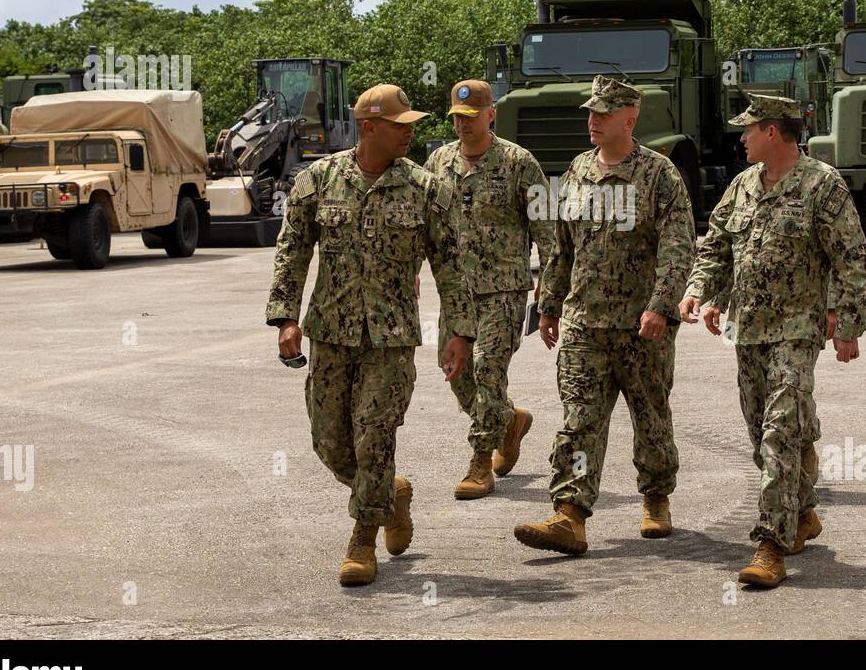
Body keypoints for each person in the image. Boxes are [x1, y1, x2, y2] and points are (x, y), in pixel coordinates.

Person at [266, 84, 474, 587]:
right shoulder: (318, 180)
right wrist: (285, 318)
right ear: (369, 128)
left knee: (374, 437)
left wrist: (460, 332)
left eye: (411, 125)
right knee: (330, 441)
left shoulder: (427, 190)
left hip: (391, 337)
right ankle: (390, 494)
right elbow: (292, 251)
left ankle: (361, 539)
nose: (409, 133)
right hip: (331, 334)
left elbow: (452, 265)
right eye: (400, 126)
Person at [680, 93, 866, 587]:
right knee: (760, 435)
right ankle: (803, 512)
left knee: (780, 434)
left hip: (796, 332)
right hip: (746, 332)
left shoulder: (821, 186)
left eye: (748, 130)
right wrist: (702, 292)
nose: (741, 138)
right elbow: (719, 245)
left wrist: (848, 326)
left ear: (772, 132)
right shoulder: (743, 186)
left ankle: (770, 544)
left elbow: (854, 260)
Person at [513, 75, 695, 555]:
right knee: (579, 420)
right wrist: (548, 305)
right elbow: (561, 247)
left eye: (602, 114)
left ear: (629, 119)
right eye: (590, 113)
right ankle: (568, 515)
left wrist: (661, 307)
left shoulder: (659, 174)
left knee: (650, 417)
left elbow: (678, 250)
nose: (592, 121)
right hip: (584, 325)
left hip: (641, 327)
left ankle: (656, 498)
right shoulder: (576, 170)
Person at [424, 79, 554, 499]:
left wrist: (547, 291)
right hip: (455, 294)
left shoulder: (520, 163)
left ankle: (480, 463)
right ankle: (510, 421)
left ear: (490, 115)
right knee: (457, 375)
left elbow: (547, 232)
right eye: (456, 118)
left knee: (487, 371)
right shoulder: (438, 162)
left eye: (471, 117)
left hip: (504, 289)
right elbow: (422, 224)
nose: (462, 125)